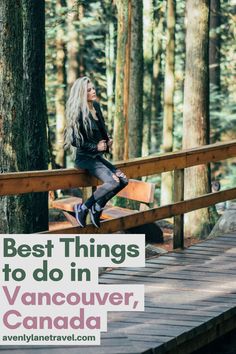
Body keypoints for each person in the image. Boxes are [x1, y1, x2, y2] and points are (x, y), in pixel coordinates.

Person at [64, 76, 128, 228]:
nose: (93, 91)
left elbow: (101, 130)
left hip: (98, 157)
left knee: (123, 180)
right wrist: (95, 147)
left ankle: (97, 207)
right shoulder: (78, 112)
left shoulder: (96, 107)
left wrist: (107, 142)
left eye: (93, 88)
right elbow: (75, 141)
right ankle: (83, 208)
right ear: (81, 94)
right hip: (85, 158)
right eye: (89, 90)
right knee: (113, 181)